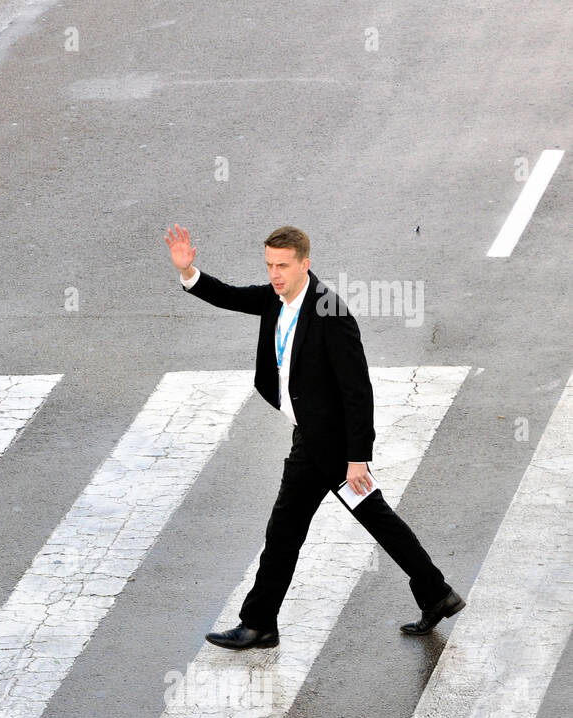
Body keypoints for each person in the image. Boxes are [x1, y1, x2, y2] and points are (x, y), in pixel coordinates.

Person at [163, 224, 465, 649]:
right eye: (269, 265)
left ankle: (259, 622)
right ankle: (437, 594)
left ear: (306, 263)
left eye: (283, 265)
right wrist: (189, 272)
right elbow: (230, 295)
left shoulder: (330, 313)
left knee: (284, 530)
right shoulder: (275, 298)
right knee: (375, 518)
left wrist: (357, 456)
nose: (274, 274)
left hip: (328, 447)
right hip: (314, 437)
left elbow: (357, 389)